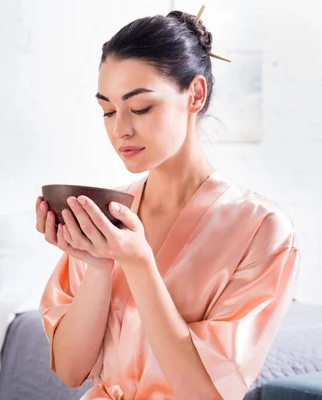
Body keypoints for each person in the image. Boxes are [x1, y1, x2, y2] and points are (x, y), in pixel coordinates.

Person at [35, 8, 300, 400]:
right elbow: (71, 371)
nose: (119, 129)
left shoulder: (262, 230)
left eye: (140, 108)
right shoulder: (105, 216)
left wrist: (139, 263)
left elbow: (206, 392)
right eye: (107, 111)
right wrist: (98, 265)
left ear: (194, 95)